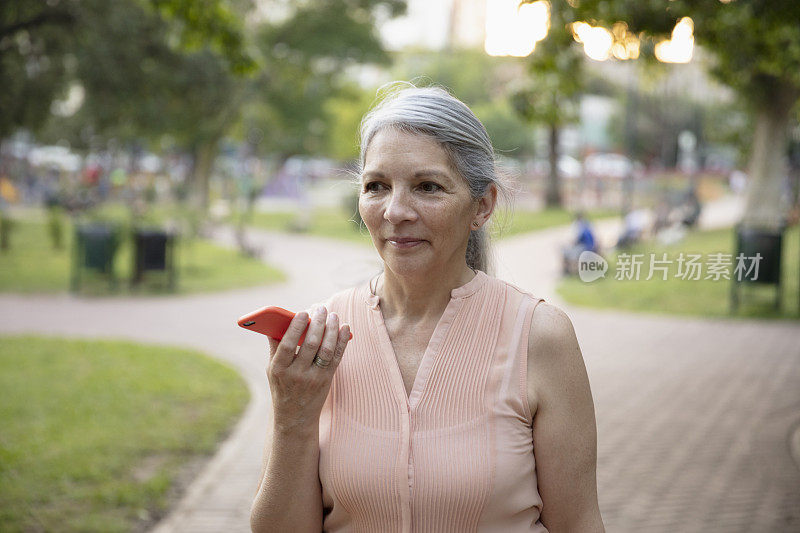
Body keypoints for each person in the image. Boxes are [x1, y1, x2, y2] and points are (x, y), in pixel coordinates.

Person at [250, 83, 604, 532]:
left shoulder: (539, 337)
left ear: (482, 205)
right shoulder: (323, 340)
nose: (395, 211)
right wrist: (292, 418)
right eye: (376, 186)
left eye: (428, 187)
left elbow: (579, 524)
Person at [562, 211, 598, 275]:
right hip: (591, 247)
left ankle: (568, 271)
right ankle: (569, 270)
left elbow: (577, 239)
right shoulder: (588, 224)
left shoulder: (581, 226)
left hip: (586, 248)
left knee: (566, 252)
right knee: (569, 251)